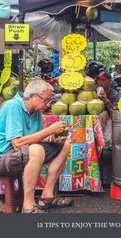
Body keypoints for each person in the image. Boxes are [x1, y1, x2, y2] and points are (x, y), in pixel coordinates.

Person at [0, 79, 73, 213]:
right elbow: (17, 143)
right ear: (32, 96)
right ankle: (28, 205)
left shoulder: (36, 112)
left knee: (64, 144)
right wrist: (49, 130)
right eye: (46, 100)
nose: (48, 104)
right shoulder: (13, 106)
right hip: (3, 157)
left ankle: (46, 196)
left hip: (20, 154)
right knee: (36, 149)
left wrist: (52, 138)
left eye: (50, 101)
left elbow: (37, 137)